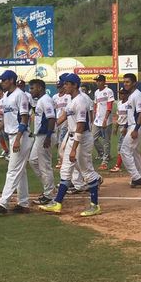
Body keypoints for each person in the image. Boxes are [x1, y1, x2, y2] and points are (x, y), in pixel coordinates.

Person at [40, 73, 103, 216]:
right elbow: (63, 117)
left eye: (67, 84)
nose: (64, 86)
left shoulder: (80, 101)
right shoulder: (71, 99)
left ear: (75, 85)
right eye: (64, 83)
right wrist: (50, 127)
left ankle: (95, 205)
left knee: (87, 171)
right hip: (72, 138)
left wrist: (74, 149)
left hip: (81, 139)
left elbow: (80, 126)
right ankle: (57, 203)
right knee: (65, 170)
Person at [0, 70, 33, 214]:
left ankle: (3, 203)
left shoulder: (20, 95)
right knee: (20, 172)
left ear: (11, 80)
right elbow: (6, 120)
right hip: (12, 136)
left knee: (12, 171)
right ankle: (23, 203)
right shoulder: (7, 97)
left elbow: (25, 118)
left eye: (3, 80)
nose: (1, 83)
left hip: (20, 136)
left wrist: (18, 139)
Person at [28, 78, 57, 205]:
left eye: (32, 88)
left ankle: (49, 194)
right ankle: (49, 187)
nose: (31, 91)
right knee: (33, 161)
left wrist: (48, 137)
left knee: (45, 165)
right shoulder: (41, 100)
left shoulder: (46, 100)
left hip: (45, 135)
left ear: (40, 87)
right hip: (40, 135)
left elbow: (51, 119)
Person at [116, 87, 141, 187]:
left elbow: (140, 114)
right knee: (134, 153)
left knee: (124, 150)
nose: (126, 84)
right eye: (124, 82)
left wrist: (135, 129)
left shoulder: (137, 95)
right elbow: (130, 115)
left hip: (137, 126)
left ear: (134, 83)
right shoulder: (131, 96)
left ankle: (136, 177)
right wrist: (126, 126)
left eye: (128, 82)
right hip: (132, 125)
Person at [92, 75, 115, 170]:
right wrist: (93, 118)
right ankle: (103, 153)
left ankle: (105, 161)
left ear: (104, 81)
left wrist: (105, 119)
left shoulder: (108, 91)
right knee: (92, 139)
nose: (97, 82)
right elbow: (95, 106)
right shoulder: (96, 92)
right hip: (97, 120)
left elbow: (109, 106)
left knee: (106, 141)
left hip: (106, 121)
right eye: (96, 81)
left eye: (99, 81)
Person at [51, 80, 71, 167]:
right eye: (58, 87)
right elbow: (52, 109)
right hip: (57, 120)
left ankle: (60, 160)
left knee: (61, 140)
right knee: (56, 141)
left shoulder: (68, 96)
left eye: (60, 86)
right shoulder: (55, 97)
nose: (59, 88)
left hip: (65, 121)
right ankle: (63, 156)